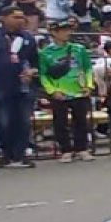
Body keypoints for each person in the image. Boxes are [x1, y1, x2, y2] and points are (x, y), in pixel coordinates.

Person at [0, 6, 39, 168]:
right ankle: (7, 154)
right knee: (4, 122)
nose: (21, 20)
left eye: (22, 17)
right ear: (3, 18)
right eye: (16, 17)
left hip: (23, 86)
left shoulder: (28, 38)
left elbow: (35, 62)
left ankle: (21, 154)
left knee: (23, 122)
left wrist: (32, 71)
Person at [40, 22, 95, 162]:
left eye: (68, 30)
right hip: (60, 92)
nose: (67, 33)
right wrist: (52, 91)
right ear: (54, 33)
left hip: (79, 89)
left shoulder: (79, 49)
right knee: (60, 122)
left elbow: (88, 68)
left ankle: (82, 148)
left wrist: (89, 85)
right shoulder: (45, 53)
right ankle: (65, 150)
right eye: (63, 30)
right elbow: (43, 74)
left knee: (81, 121)